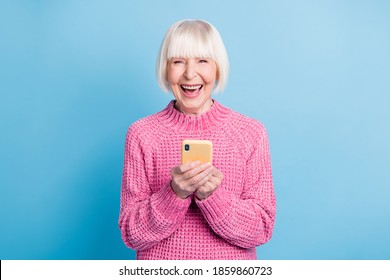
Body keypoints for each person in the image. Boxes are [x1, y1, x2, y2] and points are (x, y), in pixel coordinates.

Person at [118, 19, 276, 260]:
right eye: (178, 61)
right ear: (165, 69)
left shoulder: (250, 132)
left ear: (217, 68)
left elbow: (262, 229)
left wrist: (213, 197)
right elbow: (132, 233)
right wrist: (174, 194)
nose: (190, 74)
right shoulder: (142, 133)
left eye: (202, 61)